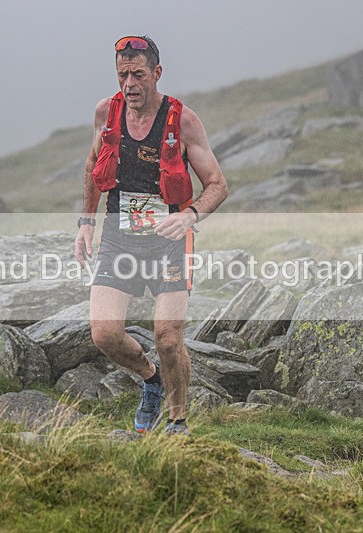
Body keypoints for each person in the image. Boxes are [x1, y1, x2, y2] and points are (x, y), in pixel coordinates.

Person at [74, 35, 228, 436]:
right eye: (122, 74)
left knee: (168, 337)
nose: (129, 83)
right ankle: (151, 379)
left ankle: (177, 423)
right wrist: (86, 224)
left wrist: (190, 216)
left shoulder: (184, 120)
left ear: (156, 73)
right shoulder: (106, 113)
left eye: (138, 74)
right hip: (120, 238)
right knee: (104, 334)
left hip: (170, 241)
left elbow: (217, 184)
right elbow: (93, 164)